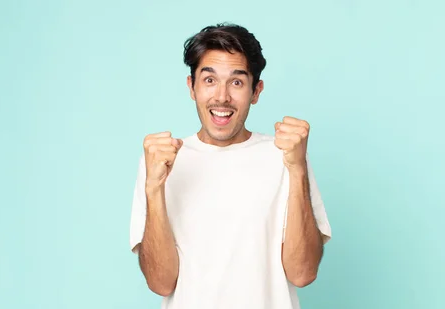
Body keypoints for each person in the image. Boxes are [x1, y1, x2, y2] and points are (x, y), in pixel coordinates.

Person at [129, 23, 332, 309]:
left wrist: (297, 169)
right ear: (192, 87)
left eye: (236, 82)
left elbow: (302, 273)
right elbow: (161, 283)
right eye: (209, 80)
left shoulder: (286, 155)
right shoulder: (161, 162)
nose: (221, 96)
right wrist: (154, 187)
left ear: (256, 91)